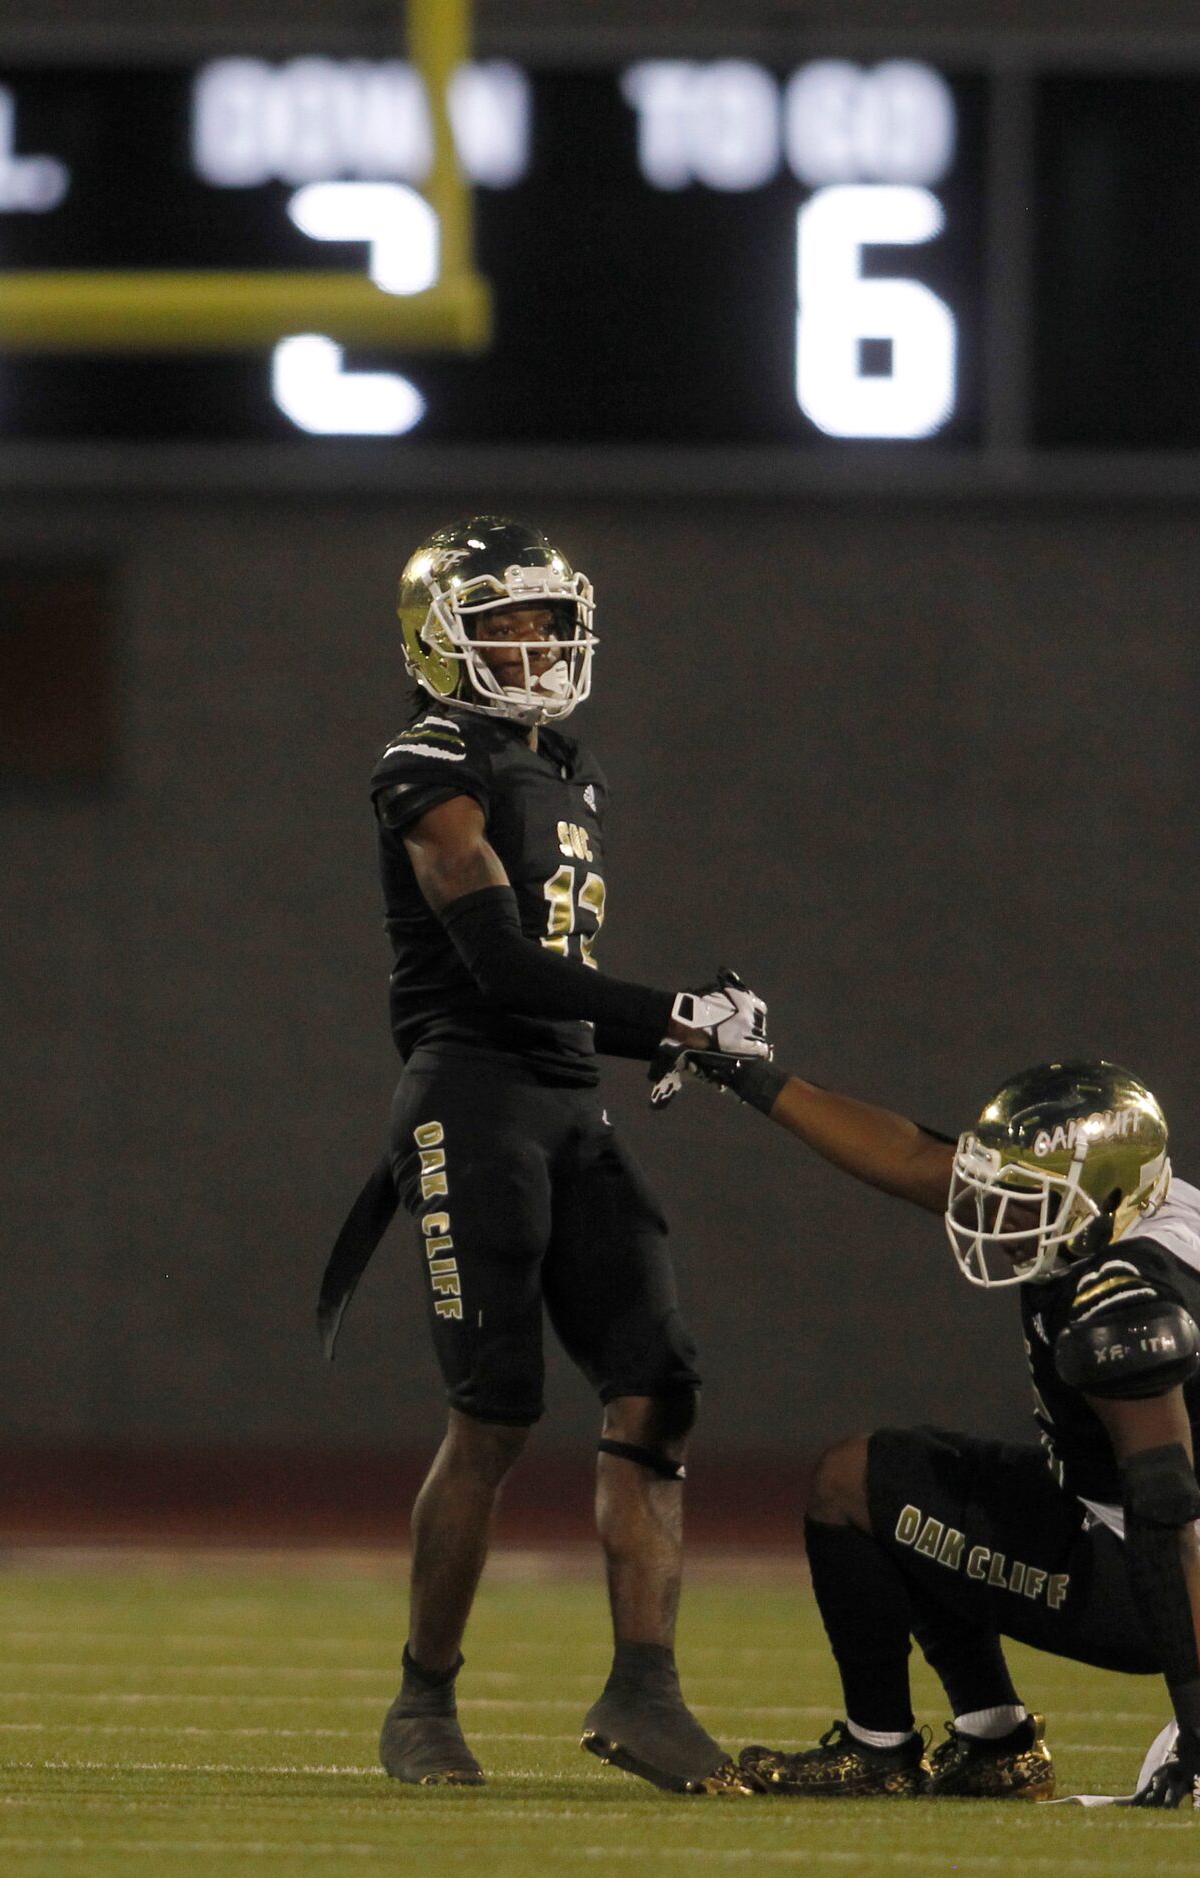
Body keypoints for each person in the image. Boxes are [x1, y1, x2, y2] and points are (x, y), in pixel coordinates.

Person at [318, 516, 771, 1795]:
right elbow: (504, 969)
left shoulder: (563, 770)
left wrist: (653, 1035)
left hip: (567, 1102)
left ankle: (643, 1690)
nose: (533, 642)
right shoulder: (427, 761)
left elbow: (564, 992)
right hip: (472, 1100)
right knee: (495, 1415)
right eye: (504, 620)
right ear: (438, 637)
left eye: (545, 619)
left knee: (658, 1385)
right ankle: (423, 1699)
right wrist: (673, 1015)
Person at [658, 1050, 1200, 1806]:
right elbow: (908, 1155)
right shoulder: (1128, 1209)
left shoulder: (1123, 1302)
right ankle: (995, 1744)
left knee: (853, 1488)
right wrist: (745, 1073)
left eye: (1027, 1195)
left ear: (1103, 1197)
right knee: (901, 1475)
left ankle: (879, 1752)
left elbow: (1164, 1517)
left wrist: (1199, 1739)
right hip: (1144, 1527)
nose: (998, 1211)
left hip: (1176, 1581)